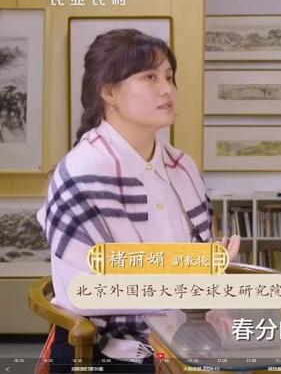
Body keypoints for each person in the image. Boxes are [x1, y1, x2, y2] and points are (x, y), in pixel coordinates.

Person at [37, 29, 240, 372]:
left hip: (181, 341)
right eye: (150, 77)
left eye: (169, 77)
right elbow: (85, 293)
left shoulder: (182, 167)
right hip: (105, 352)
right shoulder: (81, 173)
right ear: (109, 92)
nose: (167, 89)